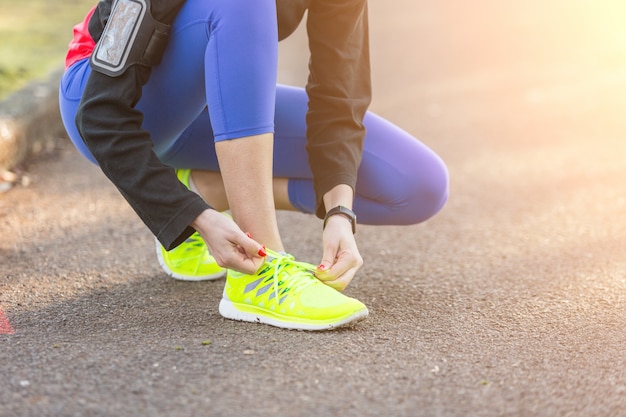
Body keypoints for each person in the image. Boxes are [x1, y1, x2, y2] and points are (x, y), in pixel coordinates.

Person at [59, 0, 449, 331]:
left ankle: (204, 186)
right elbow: (99, 116)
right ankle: (260, 273)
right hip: (114, 102)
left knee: (417, 184)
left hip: (209, 108)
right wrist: (190, 215)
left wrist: (339, 211)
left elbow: (338, 99)